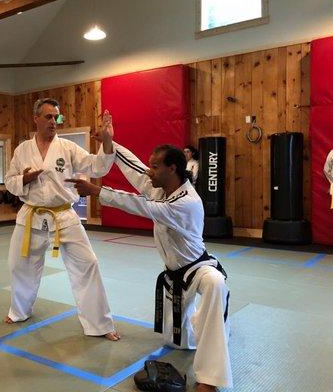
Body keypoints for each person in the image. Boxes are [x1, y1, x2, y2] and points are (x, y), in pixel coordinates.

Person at [67, 143, 232, 391]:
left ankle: (210, 378)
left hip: (197, 269)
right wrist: (111, 144)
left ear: (172, 168)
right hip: (173, 275)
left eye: (155, 167)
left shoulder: (187, 201)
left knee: (216, 284)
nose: (149, 172)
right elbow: (134, 168)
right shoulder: (161, 189)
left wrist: (97, 192)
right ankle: (203, 324)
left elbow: (140, 206)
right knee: (179, 342)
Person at [3, 98, 120, 341]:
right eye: (48, 117)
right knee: (19, 265)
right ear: (35, 118)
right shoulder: (22, 149)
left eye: (56, 117)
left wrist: (107, 140)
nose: (53, 122)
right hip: (31, 214)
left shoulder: (67, 147)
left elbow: (96, 167)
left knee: (88, 264)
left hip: (64, 214)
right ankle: (19, 311)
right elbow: (9, 180)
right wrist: (25, 179)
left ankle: (99, 324)